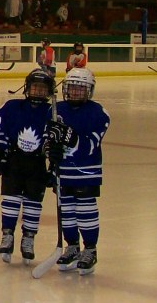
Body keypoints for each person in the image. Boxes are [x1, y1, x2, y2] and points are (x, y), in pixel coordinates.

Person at [43, 68, 110, 275]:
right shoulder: (55, 109)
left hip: (86, 172)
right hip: (62, 171)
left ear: (89, 91)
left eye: (81, 89)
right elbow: (47, 136)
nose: (75, 92)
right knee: (66, 211)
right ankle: (71, 245)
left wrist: (72, 139)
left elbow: (91, 145)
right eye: (72, 88)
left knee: (85, 210)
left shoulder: (98, 112)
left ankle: (90, 248)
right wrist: (50, 149)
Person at [0, 69, 55, 264]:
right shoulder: (11, 106)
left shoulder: (52, 112)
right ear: (27, 88)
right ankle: (7, 235)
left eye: (42, 89)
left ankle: (28, 237)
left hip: (36, 163)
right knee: (10, 198)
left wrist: (53, 164)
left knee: (33, 202)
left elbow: (54, 140)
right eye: (35, 87)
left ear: (48, 91)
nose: (38, 91)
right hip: (14, 161)